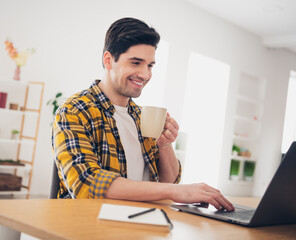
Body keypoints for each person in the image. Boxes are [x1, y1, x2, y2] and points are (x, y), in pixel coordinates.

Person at [52, 17, 234, 211]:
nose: (145, 74)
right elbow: (87, 184)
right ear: (108, 60)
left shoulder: (141, 116)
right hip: (90, 224)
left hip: (141, 220)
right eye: (136, 62)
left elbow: (168, 180)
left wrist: (165, 146)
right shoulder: (74, 111)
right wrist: (173, 192)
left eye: (150, 65)